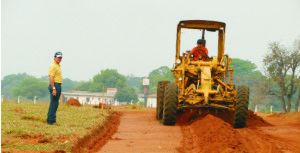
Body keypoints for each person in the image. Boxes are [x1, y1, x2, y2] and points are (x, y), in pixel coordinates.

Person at [47, 51, 63, 125]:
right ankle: (51, 120)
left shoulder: (58, 65)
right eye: (58, 57)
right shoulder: (53, 66)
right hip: (55, 85)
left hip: (58, 85)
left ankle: (51, 119)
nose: (59, 58)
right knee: (54, 103)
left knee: (55, 103)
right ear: (54, 57)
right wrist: (53, 88)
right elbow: (51, 77)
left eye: (60, 57)